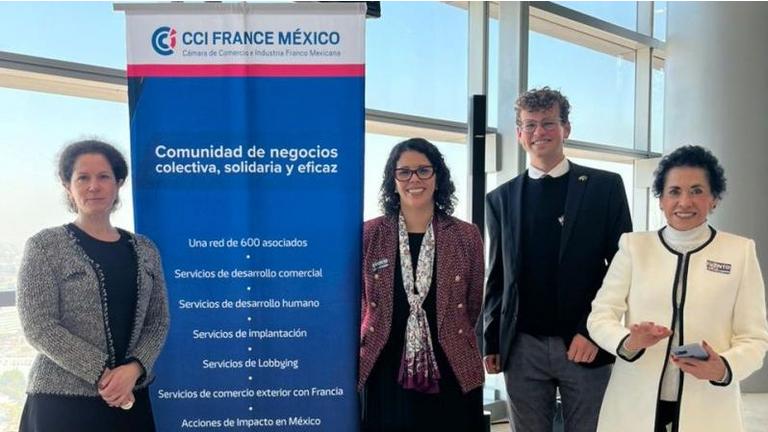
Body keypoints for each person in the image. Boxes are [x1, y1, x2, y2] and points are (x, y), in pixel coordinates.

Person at [587, 145, 768, 432]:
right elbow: (600, 316)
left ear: (714, 199)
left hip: (707, 405)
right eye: (674, 191)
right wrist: (629, 341)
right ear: (661, 200)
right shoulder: (634, 247)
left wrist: (723, 367)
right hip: (635, 402)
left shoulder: (739, 252)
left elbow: (754, 338)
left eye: (697, 191)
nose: (685, 202)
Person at [483, 87, 632, 431]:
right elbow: (498, 275)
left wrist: (591, 331)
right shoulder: (501, 199)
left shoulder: (604, 187)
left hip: (584, 343)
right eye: (530, 124)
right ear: (519, 133)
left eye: (548, 122)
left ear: (566, 128)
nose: (539, 132)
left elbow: (622, 268)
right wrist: (491, 341)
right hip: (521, 348)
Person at [17, 139, 170, 432]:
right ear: (67, 186)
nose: (93, 186)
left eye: (103, 177)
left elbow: (158, 321)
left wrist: (134, 369)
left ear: (118, 183)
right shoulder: (45, 246)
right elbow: (38, 326)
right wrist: (104, 374)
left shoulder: (146, 250)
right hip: (61, 404)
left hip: (130, 398)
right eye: (82, 178)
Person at [358, 138, 485, 431]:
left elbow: (472, 302)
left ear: (437, 178)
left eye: (424, 171)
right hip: (385, 366)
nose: (414, 179)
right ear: (393, 182)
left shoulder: (466, 236)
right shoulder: (370, 234)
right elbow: (360, 301)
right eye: (404, 172)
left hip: (451, 365)